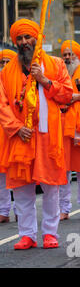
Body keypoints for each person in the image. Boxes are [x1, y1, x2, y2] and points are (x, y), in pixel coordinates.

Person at [0, 19, 73, 249]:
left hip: (47, 136)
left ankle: (50, 233)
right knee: (22, 188)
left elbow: (67, 95)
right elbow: (1, 105)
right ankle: (27, 234)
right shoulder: (6, 72)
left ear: (36, 38)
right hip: (20, 136)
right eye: (19, 39)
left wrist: (44, 80)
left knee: (51, 185)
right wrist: (15, 127)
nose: (24, 42)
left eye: (27, 38)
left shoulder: (55, 64)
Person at [58, 40, 80, 221]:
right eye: (64, 54)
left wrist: (77, 97)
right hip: (63, 126)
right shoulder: (59, 74)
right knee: (63, 170)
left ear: (78, 57)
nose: (67, 57)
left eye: (71, 54)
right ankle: (64, 208)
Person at [0, 49, 17, 223]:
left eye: (7, 62)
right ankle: (3, 211)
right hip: (1, 133)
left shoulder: (18, 80)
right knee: (1, 175)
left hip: (14, 132)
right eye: (2, 62)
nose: (4, 66)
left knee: (17, 173)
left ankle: (20, 209)